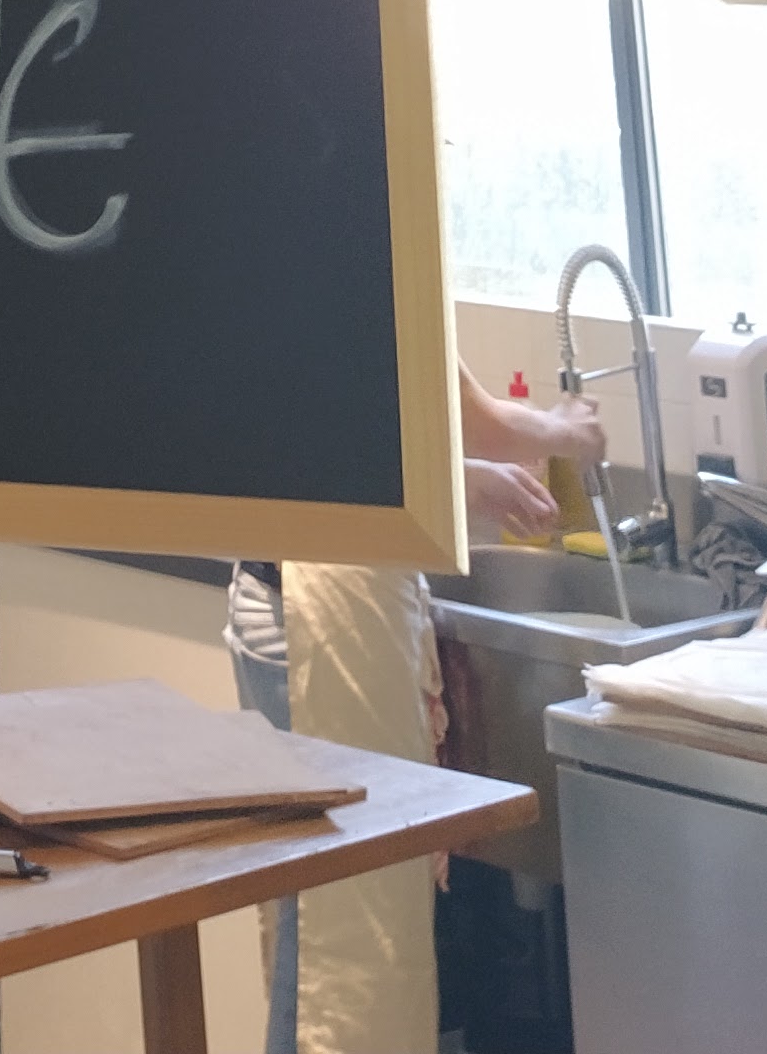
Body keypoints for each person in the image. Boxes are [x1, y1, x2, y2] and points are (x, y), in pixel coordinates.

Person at [228, 365, 605, 1052]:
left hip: (292, 596)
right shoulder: (360, 290)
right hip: (323, 612)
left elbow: (367, 421)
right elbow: (448, 413)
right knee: (339, 944)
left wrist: (473, 472)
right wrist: (558, 432)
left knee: (317, 928)